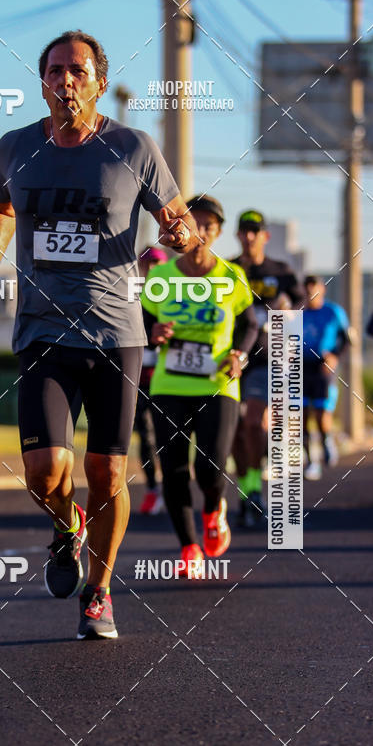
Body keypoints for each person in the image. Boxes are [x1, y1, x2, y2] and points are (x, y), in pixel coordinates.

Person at [0, 30, 198, 639]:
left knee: (107, 475)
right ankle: (64, 525)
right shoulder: (14, 147)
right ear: (41, 80)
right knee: (43, 473)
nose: (65, 81)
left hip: (116, 333)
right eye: (54, 71)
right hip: (43, 332)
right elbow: (2, 207)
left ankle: (99, 592)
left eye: (77, 71)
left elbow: (182, 223)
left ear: (98, 81)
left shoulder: (133, 148)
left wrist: (180, 236)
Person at [141, 195, 258, 577]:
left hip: (218, 385)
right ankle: (189, 547)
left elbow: (250, 324)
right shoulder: (160, 277)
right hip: (169, 383)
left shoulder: (231, 277)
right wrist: (152, 332)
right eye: (195, 222)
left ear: (219, 232)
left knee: (210, 468)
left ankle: (213, 507)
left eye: (210, 225)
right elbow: (141, 323)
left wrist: (239, 354)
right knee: (174, 468)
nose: (202, 230)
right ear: (182, 228)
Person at [229, 210, 304, 527]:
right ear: (237, 235)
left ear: (265, 236)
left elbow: (302, 302)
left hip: (266, 358)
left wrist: (287, 305)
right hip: (230, 357)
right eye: (244, 231)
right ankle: (248, 489)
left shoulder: (281, 271)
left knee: (254, 424)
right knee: (232, 430)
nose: (249, 237)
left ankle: (256, 488)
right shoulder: (228, 269)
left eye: (255, 231)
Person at [302, 275, 350, 480]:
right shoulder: (298, 313)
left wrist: (334, 357)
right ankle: (311, 461)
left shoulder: (333, 312)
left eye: (315, 290)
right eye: (307, 290)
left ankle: (326, 439)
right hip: (302, 367)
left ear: (322, 290)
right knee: (301, 417)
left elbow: (347, 339)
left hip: (324, 367)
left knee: (322, 415)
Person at [135, 246, 167, 515]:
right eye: (147, 265)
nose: (152, 270)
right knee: (144, 437)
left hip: (167, 379)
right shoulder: (129, 296)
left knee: (167, 436)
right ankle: (152, 488)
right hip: (137, 379)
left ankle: (170, 487)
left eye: (157, 265)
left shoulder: (174, 296)